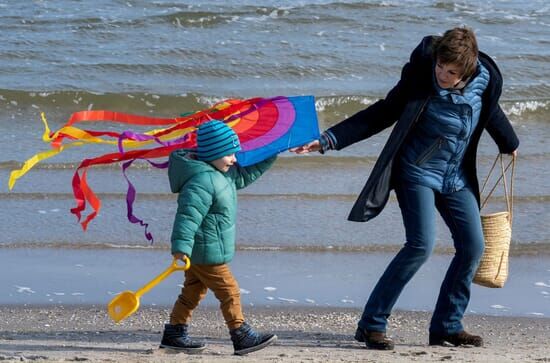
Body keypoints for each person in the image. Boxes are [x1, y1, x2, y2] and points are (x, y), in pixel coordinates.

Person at [291, 27, 519, 349]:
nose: (442, 73)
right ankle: (372, 324)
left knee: (473, 246)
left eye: (451, 71)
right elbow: (381, 113)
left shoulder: (484, 80)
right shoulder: (420, 78)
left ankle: (447, 326)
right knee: (420, 245)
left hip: (455, 176)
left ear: (467, 71)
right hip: (417, 172)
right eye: (440, 65)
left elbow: (490, 109)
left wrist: (509, 142)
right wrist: (328, 140)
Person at [160, 120, 278, 355]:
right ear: (213, 152)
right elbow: (187, 216)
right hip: (206, 250)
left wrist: (272, 154)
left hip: (206, 249)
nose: (234, 158)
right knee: (229, 291)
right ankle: (241, 334)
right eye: (229, 153)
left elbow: (246, 174)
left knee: (193, 291)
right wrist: (181, 247)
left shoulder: (222, 174)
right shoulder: (202, 181)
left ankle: (174, 332)